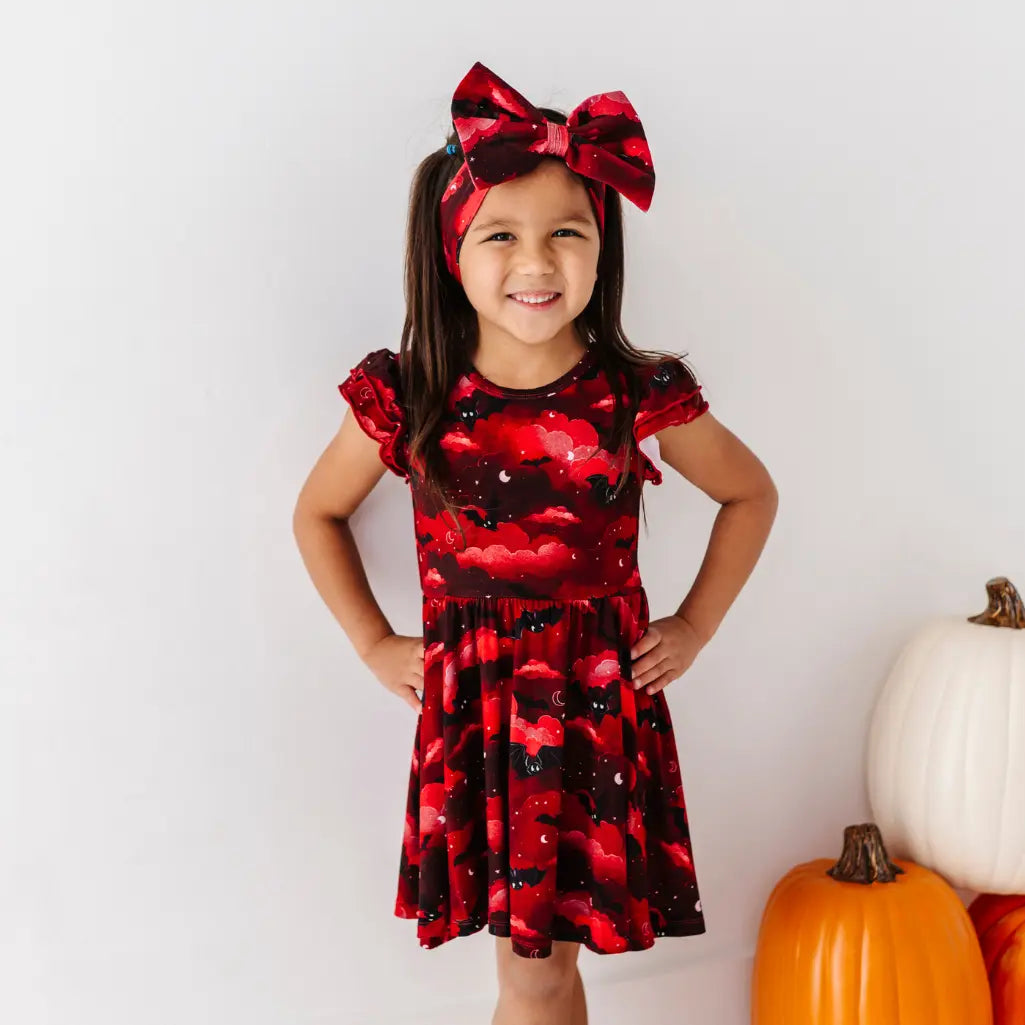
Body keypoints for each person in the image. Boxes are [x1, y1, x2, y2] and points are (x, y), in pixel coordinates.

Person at [293, 60, 778, 1025]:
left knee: (539, 972)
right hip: (474, 715)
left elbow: (749, 494)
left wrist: (694, 625)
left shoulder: (633, 394)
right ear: (448, 249)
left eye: (568, 232)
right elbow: (318, 514)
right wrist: (373, 641)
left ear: (603, 249)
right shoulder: (411, 394)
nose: (537, 262)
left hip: (591, 716)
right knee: (534, 971)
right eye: (501, 235)